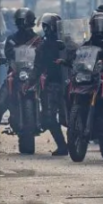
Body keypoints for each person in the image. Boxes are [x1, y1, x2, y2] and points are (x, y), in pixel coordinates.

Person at [0, 8, 41, 137]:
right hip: (14, 74)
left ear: (31, 22)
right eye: (20, 22)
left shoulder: (38, 40)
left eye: (24, 21)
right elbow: (8, 53)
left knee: (51, 98)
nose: (22, 24)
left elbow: (43, 55)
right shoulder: (12, 38)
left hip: (33, 74)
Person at [36, 13, 69, 155]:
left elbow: (77, 57)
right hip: (52, 84)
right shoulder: (43, 44)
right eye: (44, 26)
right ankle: (63, 146)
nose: (45, 29)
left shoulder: (67, 42)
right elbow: (38, 65)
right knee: (49, 117)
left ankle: (71, 146)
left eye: (46, 26)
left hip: (68, 83)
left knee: (68, 118)